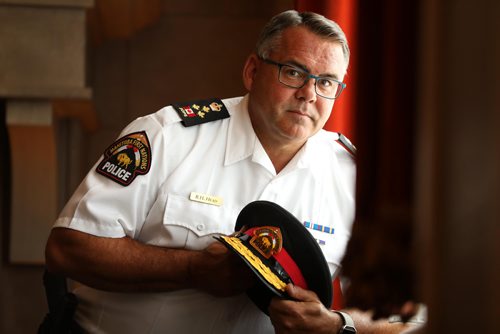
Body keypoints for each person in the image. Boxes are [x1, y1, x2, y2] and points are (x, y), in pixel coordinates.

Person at [45, 10, 416, 333]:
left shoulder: (352, 175)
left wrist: (339, 326)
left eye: (326, 82)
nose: (309, 93)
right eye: (293, 72)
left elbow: (410, 313)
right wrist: (190, 269)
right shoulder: (169, 136)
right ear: (253, 71)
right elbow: (67, 250)